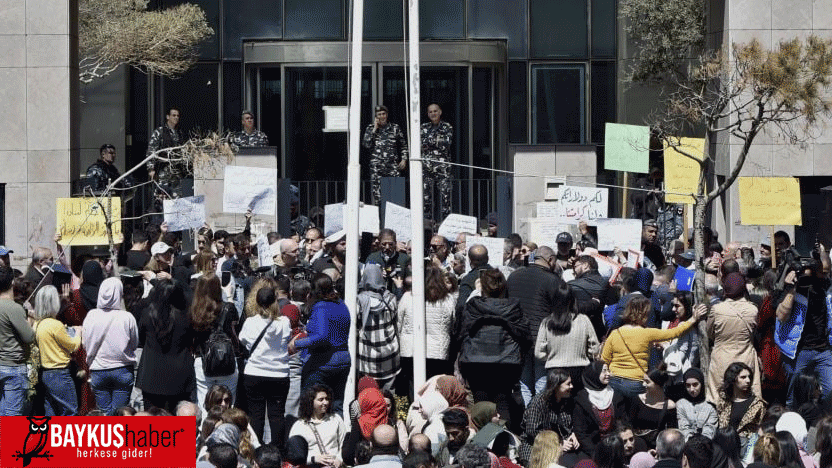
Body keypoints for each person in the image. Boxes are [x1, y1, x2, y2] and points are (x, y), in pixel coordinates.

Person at [457, 269, 530, 429]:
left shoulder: (473, 305)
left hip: (476, 361)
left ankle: (485, 445)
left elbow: (461, 332)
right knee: (502, 403)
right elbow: (525, 334)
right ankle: (501, 445)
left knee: (481, 404)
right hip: (506, 362)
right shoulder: (513, 307)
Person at [602, 296, 705, 397]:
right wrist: (693, 319)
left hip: (614, 381)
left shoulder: (615, 333)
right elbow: (675, 332)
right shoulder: (648, 333)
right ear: (643, 314)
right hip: (636, 382)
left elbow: (604, 359)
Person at [507, 245, 565, 405]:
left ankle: (528, 418)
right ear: (551, 260)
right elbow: (559, 310)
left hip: (519, 337)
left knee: (524, 383)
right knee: (542, 382)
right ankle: (539, 418)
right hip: (542, 338)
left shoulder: (514, 276)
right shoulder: (553, 280)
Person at [289, 273, 351, 414]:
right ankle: (338, 434)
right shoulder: (342, 304)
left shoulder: (321, 307)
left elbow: (321, 336)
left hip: (323, 363)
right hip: (343, 361)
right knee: (336, 406)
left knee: (310, 404)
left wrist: (297, 343)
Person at [240, 286, 292, 446]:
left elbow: (243, 340)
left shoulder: (250, 322)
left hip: (254, 373)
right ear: (275, 302)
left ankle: (256, 451)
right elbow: (287, 339)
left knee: (256, 416)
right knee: (277, 416)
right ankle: (277, 452)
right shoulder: (284, 322)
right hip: (279, 374)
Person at [775, 259, 832, 407]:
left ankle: (818, 421)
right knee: (792, 397)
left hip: (823, 350)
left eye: (809, 275)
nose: (806, 279)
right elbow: (781, 316)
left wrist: (820, 251)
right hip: (797, 351)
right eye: (803, 276)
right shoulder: (789, 291)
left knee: (829, 391)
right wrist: (792, 288)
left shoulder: (823, 288)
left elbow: (825, 265)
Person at [136, 278, 195, 414]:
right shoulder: (186, 317)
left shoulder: (148, 314)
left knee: (152, 420)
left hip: (152, 375)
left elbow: (141, 338)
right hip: (180, 375)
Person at [82, 277, 139, 415]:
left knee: (105, 415)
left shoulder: (91, 316)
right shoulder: (127, 317)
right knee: (120, 414)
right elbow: (135, 343)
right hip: (123, 369)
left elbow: (84, 343)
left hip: (98, 370)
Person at [398, 266, 457, 396]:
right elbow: (452, 325)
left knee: (413, 385)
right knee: (434, 387)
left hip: (411, 349)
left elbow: (399, 322)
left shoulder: (408, 297)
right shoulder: (448, 300)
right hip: (437, 350)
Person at [534, 283, 600, 395]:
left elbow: (538, 353)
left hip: (554, 371)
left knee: (556, 406)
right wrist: (584, 354)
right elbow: (595, 348)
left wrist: (552, 356)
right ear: (572, 300)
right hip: (579, 370)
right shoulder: (583, 320)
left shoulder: (547, 322)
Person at [191, 273, 240, 419]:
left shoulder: (194, 311)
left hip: (203, 361)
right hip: (227, 359)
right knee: (228, 402)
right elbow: (237, 333)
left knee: (204, 402)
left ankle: (206, 435)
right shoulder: (228, 308)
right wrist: (230, 299)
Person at [706, 273, 761, 403]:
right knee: (746, 396)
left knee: (721, 396)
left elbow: (709, 332)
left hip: (722, 357)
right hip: (746, 356)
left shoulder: (717, 309)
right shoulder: (752, 310)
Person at [33, 285, 81, 415]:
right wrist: (78, 333)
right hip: (60, 373)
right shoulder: (55, 325)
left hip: (45, 373)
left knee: (51, 411)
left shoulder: (37, 324)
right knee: (70, 411)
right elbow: (73, 346)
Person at [519, 369, 579, 464]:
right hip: (537, 445)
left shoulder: (568, 401)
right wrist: (557, 444)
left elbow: (573, 423)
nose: (571, 386)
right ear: (556, 386)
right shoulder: (539, 402)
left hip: (564, 445)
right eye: (568, 384)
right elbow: (532, 431)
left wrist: (574, 434)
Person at [572, 361, 629, 459]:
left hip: (615, 446)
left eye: (608, 371)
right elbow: (581, 432)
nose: (608, 374)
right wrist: (595, 453)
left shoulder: (616, 396)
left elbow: (623, 421)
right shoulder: (581, 399)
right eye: (604, 371)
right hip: (592, 449)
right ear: (594, 374)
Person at [356, 264, 400, 390]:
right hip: (390, 353)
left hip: (368, 355)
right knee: (388, 396)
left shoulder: (360, 301)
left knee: (369, 393)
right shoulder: (391, 298)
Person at [289, 384, 347, 467]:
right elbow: (293, 455)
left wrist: (339, 459)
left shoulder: (336, 419)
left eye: (327, 399)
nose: (325, 402)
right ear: (311, 402)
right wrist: (313, 459)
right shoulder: (299, 426)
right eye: (321, 400)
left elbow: (344, 445)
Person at [363, 105, 408, 205]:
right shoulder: (370, 128)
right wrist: (374, 129)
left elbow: (403, 145)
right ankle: (380, 219)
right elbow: (366, 145)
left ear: (387, 115)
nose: (381, 116)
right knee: (378, 198)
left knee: (395, 196)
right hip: (377, 168)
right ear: (375, 116)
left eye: (383, 114)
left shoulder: (395, 128)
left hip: (392, 167)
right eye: (379, 114)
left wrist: (404, 159)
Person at [715, 363, 765, 452]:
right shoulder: (724, 401)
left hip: (746, 449)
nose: (748, 380)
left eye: (749, 377)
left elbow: (761, 430)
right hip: (724, 447)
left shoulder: (757, 404)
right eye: (743, 377)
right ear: (733, 379)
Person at [629, 367, 677, 449]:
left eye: (647, 382)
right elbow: (629, 425)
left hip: (658, 448)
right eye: (643, 380)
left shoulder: (669, 406)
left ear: (658, 385)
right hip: (637, 446)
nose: (643, 384)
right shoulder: (637, 400)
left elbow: (671, 433)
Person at [420, 103, 453, 220]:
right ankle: (428, 226)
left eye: (435, 111)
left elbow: (446, 144)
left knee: (445, 199)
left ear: (440, 112)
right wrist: (437, 140)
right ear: (428, 114)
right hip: (427, 168)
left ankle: (445, 224)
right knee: (426, 199)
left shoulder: (447, 127)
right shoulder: (423, 127)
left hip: (442, 168)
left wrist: (428, 142)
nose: (433, 113)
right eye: (430, 112)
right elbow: (420, 144)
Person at [146, 107, 184, 187]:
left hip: (176, 173)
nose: (176, 117)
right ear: (168, 117)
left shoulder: (179, 133)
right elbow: (151, 150)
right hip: (163, 172)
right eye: (174, 115)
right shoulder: (160, 132)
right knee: (162, 196)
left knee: (177, 197)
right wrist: (151, 169)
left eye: (177, 116)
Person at [676, 368, 717, 441]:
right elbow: (683, 428)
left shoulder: (710, 405)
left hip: (706, 445)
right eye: (688, 385)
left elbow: (710, 429)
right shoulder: (681, 404)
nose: (691, 389)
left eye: (695, 385)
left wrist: (700, 444)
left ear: (701, 384)